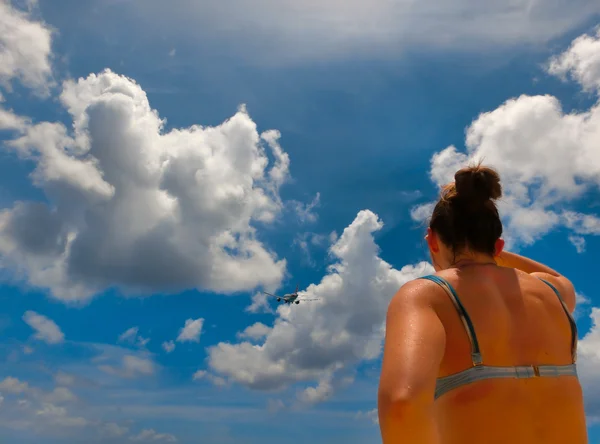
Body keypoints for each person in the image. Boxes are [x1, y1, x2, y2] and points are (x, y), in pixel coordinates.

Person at [377, 163, 588, 444]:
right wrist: (489, 250)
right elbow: (556, 276)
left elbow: (402, 405)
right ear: (498, 247)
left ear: (432, 241)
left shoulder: (427, 295)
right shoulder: (552, 292)